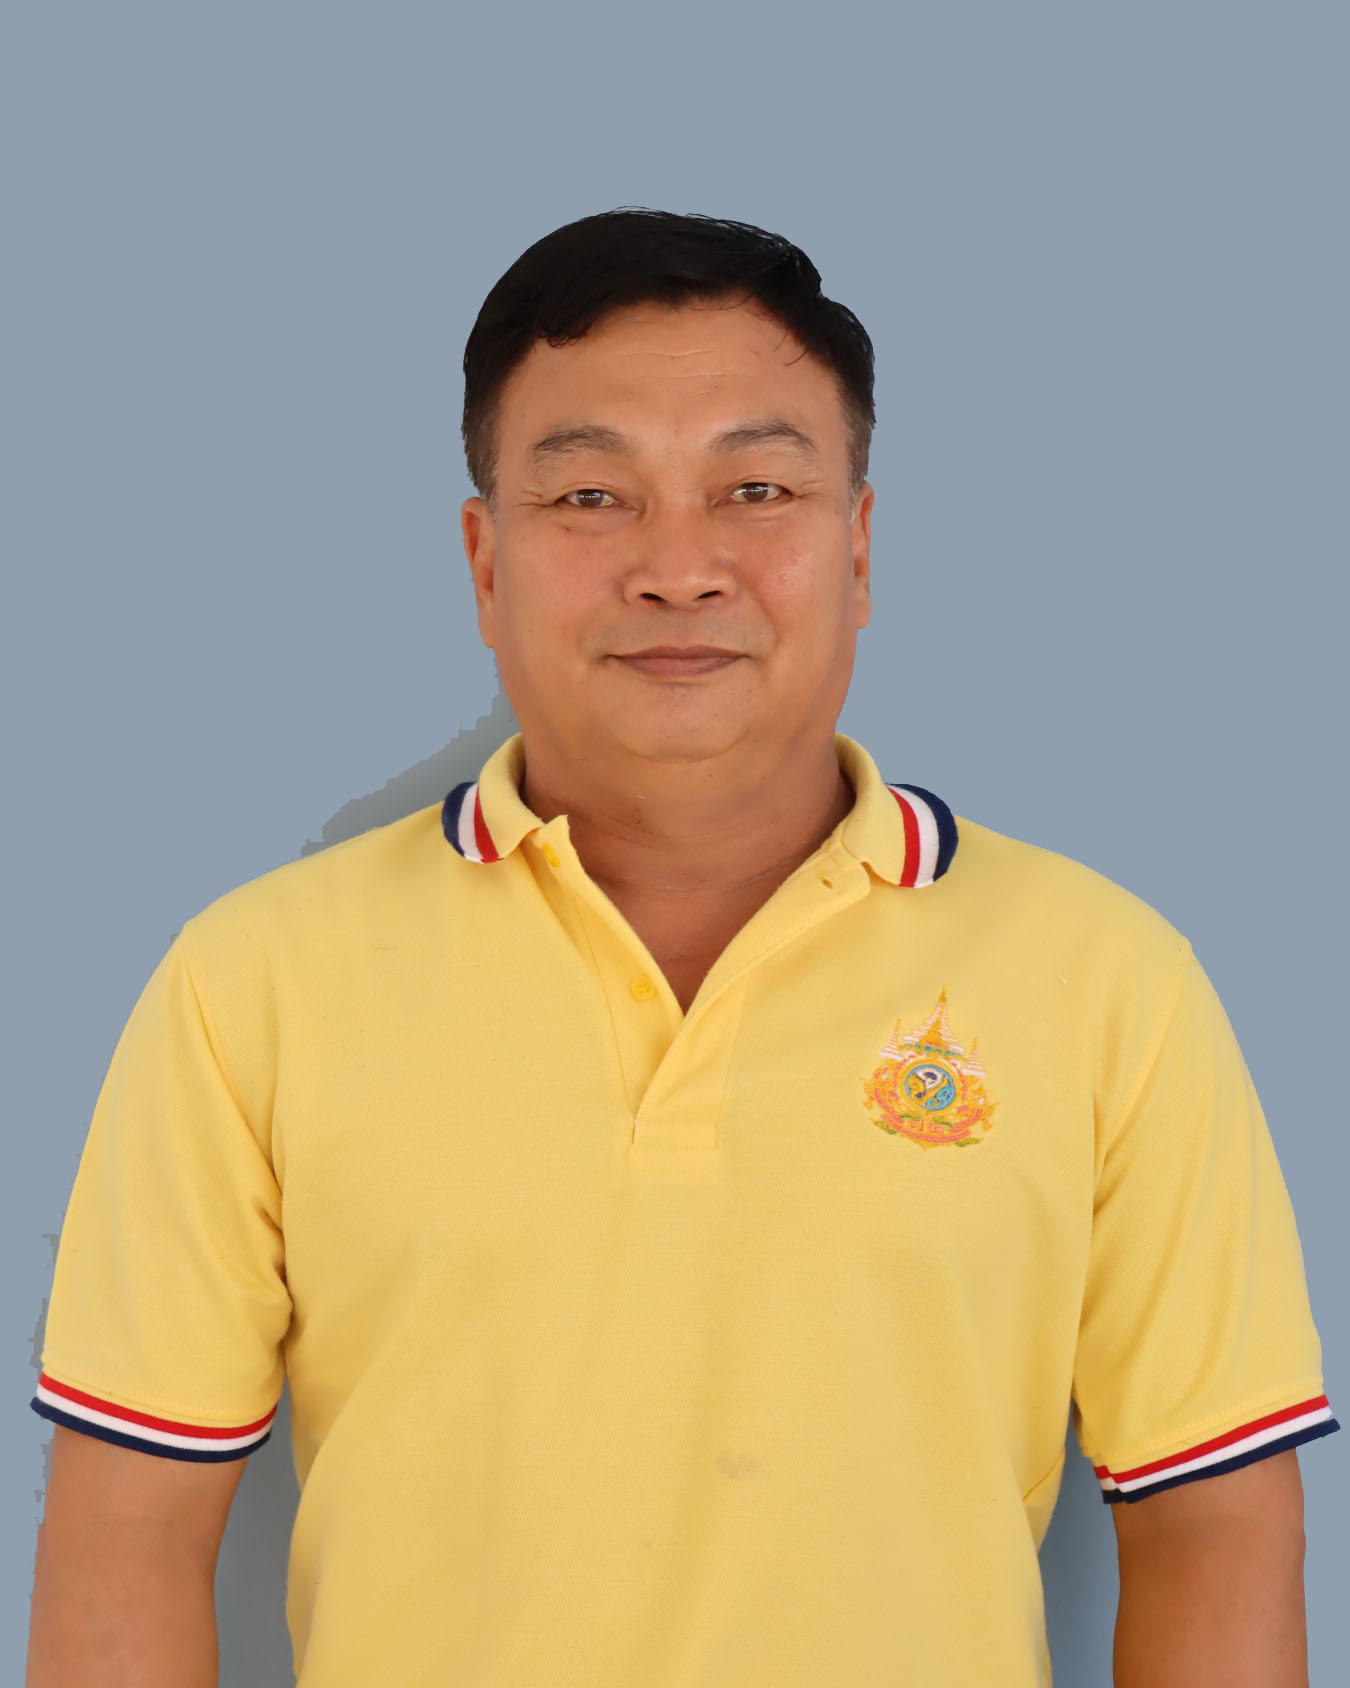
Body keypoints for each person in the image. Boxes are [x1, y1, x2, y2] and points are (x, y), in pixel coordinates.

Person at [26, 208, 1337, 1687]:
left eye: (756, 488)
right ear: (484, 560)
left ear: (857, 546)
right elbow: (126, 1537)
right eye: (591, 495)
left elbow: (1215, 1528)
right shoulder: (252, 984)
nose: (679, 566)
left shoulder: (1108, 981)